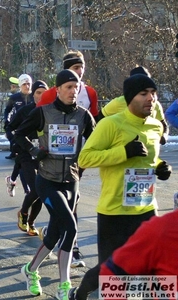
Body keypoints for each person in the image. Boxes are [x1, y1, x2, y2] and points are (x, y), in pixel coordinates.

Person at [69, 74, 172, 300]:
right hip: (114, 211)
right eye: (143, 93)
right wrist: (124, 152)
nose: (151, 99)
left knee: (149, 268)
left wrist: (162, 167)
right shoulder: (111, 124)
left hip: (146, 208)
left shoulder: (155, 126)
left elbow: (149, 161)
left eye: (153, 93)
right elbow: (84, 158)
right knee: (110, 270)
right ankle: (79, 294)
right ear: (129, 98)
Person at [15, 70, 96, 299]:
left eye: (76, 87)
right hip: (47, 181)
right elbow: (18, 134)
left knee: (55, 234)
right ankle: (64, 286)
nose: (73, 91)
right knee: (70, 227)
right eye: (68, 87)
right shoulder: (43, 113)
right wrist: (34, 150)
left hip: (71, 181)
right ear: (58, 89)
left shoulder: (83, 116)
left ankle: (30, 271)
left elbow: (97, 141)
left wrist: (85, 162)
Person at [37, 50, 98, 267]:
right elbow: (38, 123)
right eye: (74, 68)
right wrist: (39, 150)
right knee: (68, 216)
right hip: (49, 167)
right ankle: (73, 247)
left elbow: (95, 128)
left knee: (71, 209)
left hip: (76, 162)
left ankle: (63, 239)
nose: (79, 72)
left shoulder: (90, 93)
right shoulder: (48, 95)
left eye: (82, 68)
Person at [7, 80, 48, 236]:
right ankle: (24, 213)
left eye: (45, 93)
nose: (41, 96)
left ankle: (31, 223)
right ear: (33, 95)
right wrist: (16, 144)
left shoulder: (51, 112)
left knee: (41, 192)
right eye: (38, 93)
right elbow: (10, 128)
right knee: (36, 188)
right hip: (26, 154)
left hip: (44, 155)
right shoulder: (26, 111)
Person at [99, 66, 169, 144]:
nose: (150, 98)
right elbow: (98, 118)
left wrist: (164, 136)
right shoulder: (119, 102)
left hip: (148, 149)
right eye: (143, 93)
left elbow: (163, 124)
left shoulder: (155, 104)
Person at [99, 210, 178, 279]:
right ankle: (86, 290)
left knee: (148, 275)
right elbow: (111, 271)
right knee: (107, 267)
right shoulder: (162, 229)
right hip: (114, 210)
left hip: (145, 205)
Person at [37, 50, 98, 120]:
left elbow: (95, 121)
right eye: (76, 68)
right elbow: (36, 118)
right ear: (66, 70)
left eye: (82, 67)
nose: (80, 71)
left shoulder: (90, 93)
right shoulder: (49, 94)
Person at [4, 74, 33, 159]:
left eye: (29, 84)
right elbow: (7, 110)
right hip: (19, 122)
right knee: (11, 133)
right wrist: (7, 120)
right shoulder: (14, 97)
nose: (27, 86)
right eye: (24, 84)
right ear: (20, 85)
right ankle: (13, 151)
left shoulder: (35, 96)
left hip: (32, 122)